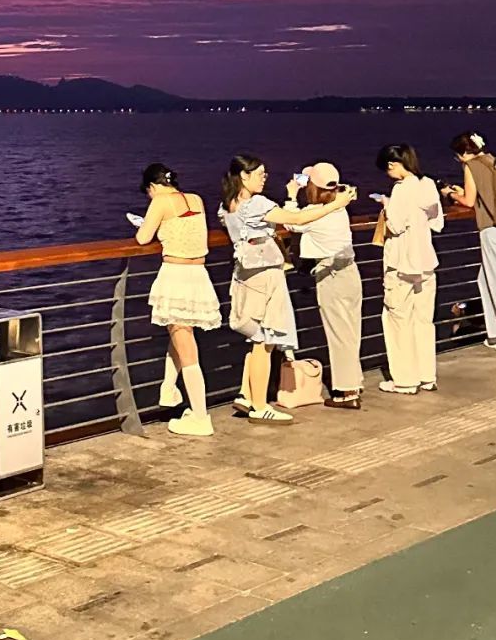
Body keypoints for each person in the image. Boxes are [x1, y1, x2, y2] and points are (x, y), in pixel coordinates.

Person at [219, 154, 357, 425]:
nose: (264, 178)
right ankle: (260, 406)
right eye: (260, 174)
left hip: (245, 275)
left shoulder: (227, 206)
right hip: (266, 276)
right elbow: (296, 218)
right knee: (265, 340)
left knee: (257, 338)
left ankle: (248, 395)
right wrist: (337, 204)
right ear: (244, 176)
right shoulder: (257, 203)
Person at [135, 162, 222, 439]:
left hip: (176, 275)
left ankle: (200, 417)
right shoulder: (195, 199)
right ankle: (169, 390)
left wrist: (146, 222)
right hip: (198, 275)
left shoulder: (160, 202)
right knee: (180, 334)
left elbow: (142, 238)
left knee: (186, 347)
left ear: (152, 186)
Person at [375, 143, 444, 395]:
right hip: (426, 260)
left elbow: (395, 225)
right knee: (424, 321)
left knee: (398, 319)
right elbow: (437, 222)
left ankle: (405, 380)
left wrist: (386, 205)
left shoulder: (401, 189)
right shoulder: (427, 185)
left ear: (393, 164)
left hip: (402, 262)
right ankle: (426, 376)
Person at [297, 163, 365, 409]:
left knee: (339, 333)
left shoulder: (315, 213)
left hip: (331, 275)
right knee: (351, 331)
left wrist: (291, 196)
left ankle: (347, 392)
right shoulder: (340, 207)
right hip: (350, 271)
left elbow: (293, 223)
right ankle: (354, 381)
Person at [443, 131, 496, 353]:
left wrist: (451, 194)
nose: (458, 160)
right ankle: (494, 334)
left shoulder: (471, 165)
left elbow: (468, 200)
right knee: (485, 281)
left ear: (464, 152)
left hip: (492, 229)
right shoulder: (495, 161)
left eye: (458, 155)